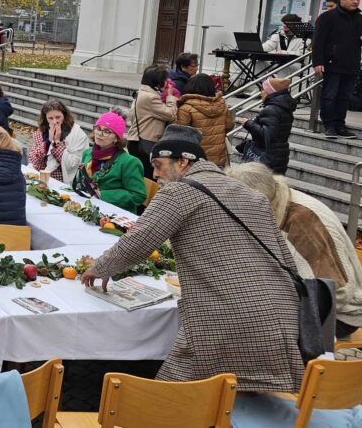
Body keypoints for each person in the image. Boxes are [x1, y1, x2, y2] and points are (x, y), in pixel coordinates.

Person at [81, 125, 304, 394]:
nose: (155, 174)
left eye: (160, 165)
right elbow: (284, 258)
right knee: (240, 391)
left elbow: (139, 241)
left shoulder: (180, 191)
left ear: (183, 162)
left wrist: (100, 267)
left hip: (227, 319)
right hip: (282, 315)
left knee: (170, 398)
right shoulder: (250, 194)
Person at [228, 162, 362, 339]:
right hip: (308, 302)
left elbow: (334, 291)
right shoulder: (275, 197)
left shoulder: (303, 224)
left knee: (247, 333)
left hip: (338, 316)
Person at [73, 110, 146, 213]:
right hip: (87, 207)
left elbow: (138, 196)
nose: (100, 134)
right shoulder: (87, 153)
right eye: (98, 129)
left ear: (116, 138)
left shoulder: (129, 162)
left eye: (107, 131)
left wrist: (102, 195)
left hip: (114, 215)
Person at [312, 0, 361, 138]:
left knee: (345, 96)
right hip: (331, 63)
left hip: (351, 64)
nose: (356, 2)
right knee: (330, 95)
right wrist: (318, 62)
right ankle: (329, 125)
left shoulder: (360, 18)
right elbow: (318, 41)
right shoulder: (328, 17)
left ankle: (340, 125)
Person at [125, 65, 180, 178]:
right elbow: (170, 114)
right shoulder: (150, 97)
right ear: (158, 82)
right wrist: (170, 98)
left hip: (136, 140)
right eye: (165, 80)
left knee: (141, 175)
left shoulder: (142, 92)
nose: (166, 82)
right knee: (148, 177)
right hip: (145, 142)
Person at [176, 73, 234, 167]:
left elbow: (181, 134)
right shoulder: (222, 104)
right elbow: (229, 126)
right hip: (218, 158)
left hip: (195, 158)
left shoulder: (186, 108)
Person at [241, 77, 296, 174]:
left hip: (267, 156)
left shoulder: (271, 109)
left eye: (263, 90)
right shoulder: (284, 108)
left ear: (270, 92)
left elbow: (266, 135)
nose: (261, 92)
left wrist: (248, 124)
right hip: (279, 154)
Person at [28, 99, 90, 184]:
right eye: (50, 118)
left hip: (63, 181)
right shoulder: (41, 132)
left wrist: (57, 142)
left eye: (58, 117)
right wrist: (49, 141)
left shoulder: (77, 134)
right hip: (42, 177)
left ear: (64, 116)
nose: (54, 121)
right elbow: (34, 161)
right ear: (46, 118)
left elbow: (73, 164)